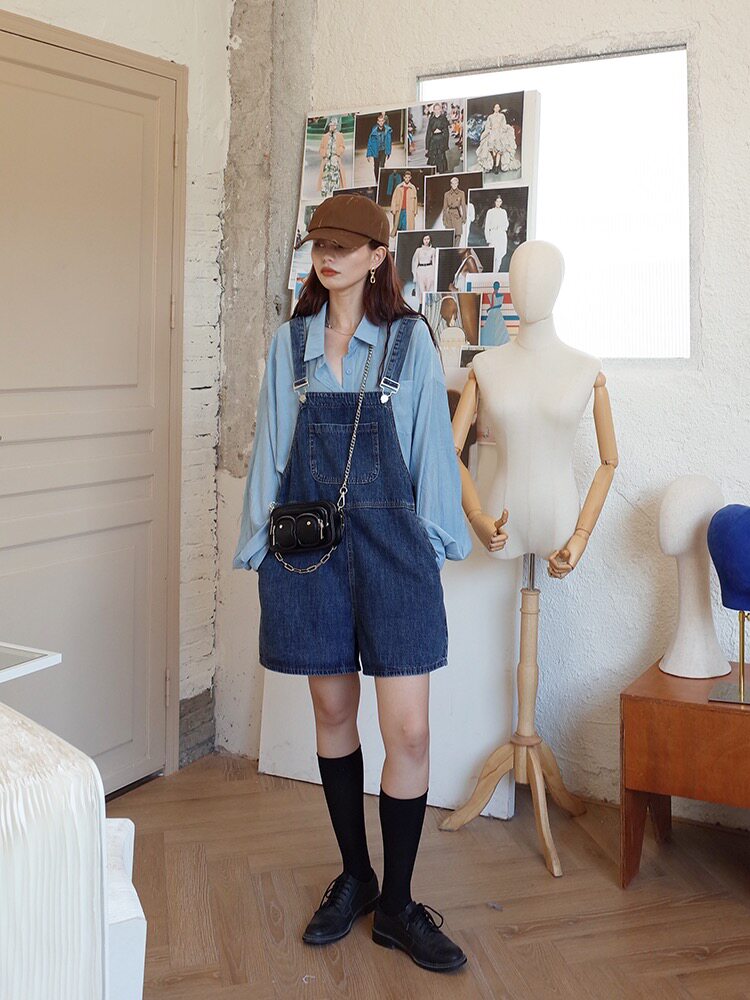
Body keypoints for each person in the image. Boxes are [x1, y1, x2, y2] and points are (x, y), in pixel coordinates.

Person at [233, 193, 472, 974]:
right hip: (312, 555)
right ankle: (357, 875)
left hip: (393, 551)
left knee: (410, 732)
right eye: (319, 244)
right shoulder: (291, 345)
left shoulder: (408, 342)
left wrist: (428, 546)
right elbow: (272, 451)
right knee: (333, 714)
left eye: (345, 245)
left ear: (377, 257)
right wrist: (258, 550)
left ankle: (398, 905)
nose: (328, 256)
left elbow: (433, 455)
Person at [484, 194, 510, 271]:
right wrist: (488, 238)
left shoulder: (503, 212)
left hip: (501, 235)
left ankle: (496, 272)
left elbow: (506, 223)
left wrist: (502, 228)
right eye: (497, 201)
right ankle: (492, 272)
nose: (498, 203)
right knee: (493, 255)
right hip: (493, 235)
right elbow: (487, 225)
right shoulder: (490, 212)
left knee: (500, 255)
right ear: (494, 202)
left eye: (500, 201)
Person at [366, 112, 392, 183]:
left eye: (382, 121)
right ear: (377, 122)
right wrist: (368, 154)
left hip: (383, 150)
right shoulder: (374, 131)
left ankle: (381, 180)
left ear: (384, 121)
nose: (381, 122)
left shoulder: (387, 130)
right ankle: (377, 180)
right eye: (379, 121)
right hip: (376, 151)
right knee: (376, 166)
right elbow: (370, 142)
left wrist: (388, 152)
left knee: (382, 165)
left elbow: (389, 142)